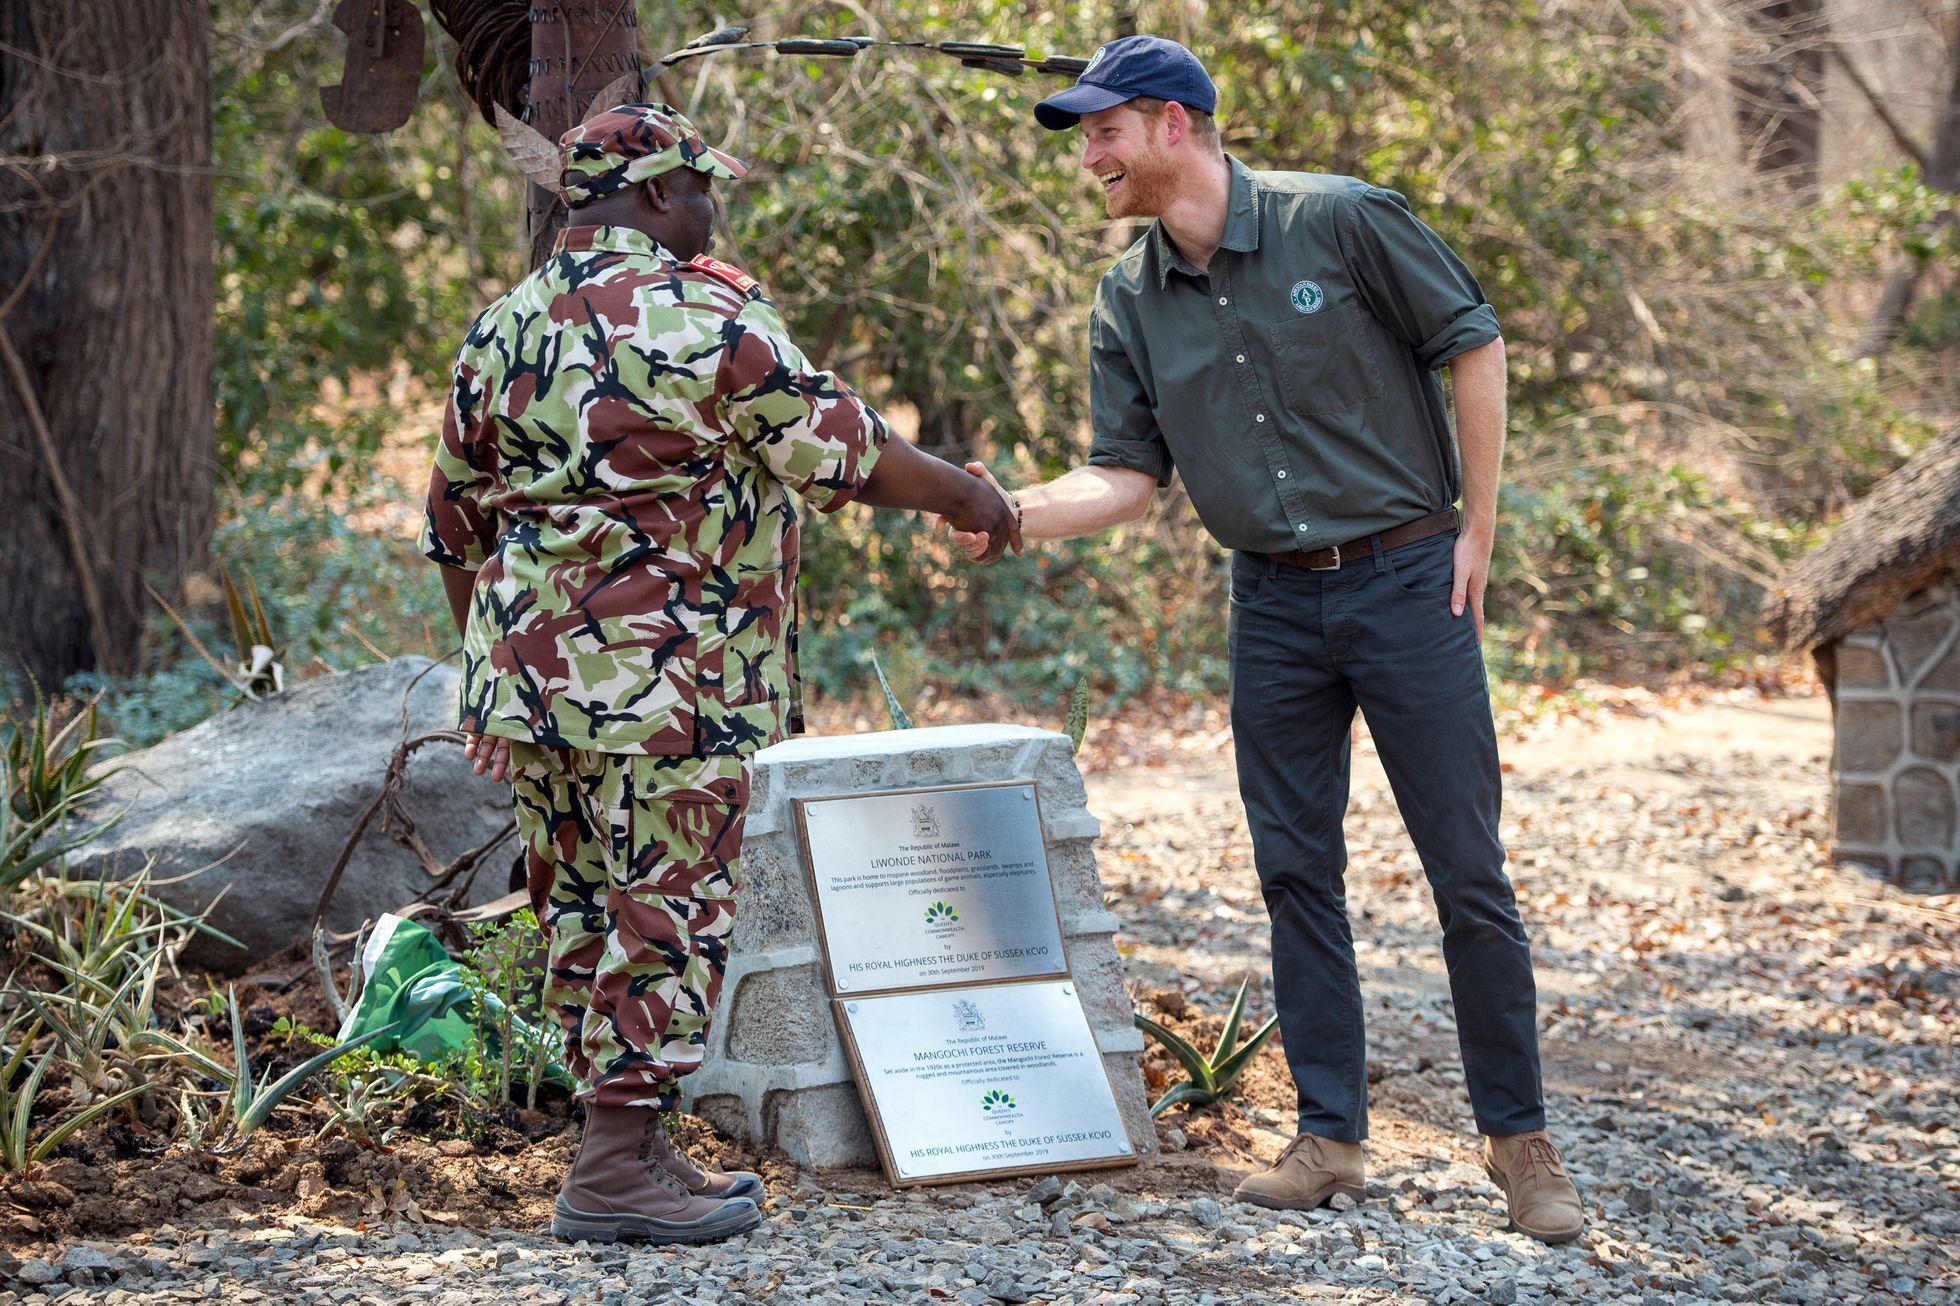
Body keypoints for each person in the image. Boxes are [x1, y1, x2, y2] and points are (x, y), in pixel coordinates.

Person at [950, 36, 1584, 1243]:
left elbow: (1474, 340)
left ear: (1172, 123)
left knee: (1466, 870)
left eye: (1103, 132)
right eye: (1083, 138)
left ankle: (1521, 1145)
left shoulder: (1339, 220)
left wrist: (1479, 529)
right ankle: (1330, 1140)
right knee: (1295, 872)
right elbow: (1126, 476)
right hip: (1274, 606)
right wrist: (1007, 511)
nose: (1088, 158)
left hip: (1409, 581)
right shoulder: (1129, 298)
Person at [422, 101, 1018, 1246]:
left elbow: (454, 524)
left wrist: (491, 675)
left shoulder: (502, 325)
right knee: (669, 905)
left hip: (537, 689)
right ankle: (611, 1166)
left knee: (582, 902)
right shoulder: (707, 315)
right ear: (656, 191)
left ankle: (629, 1142)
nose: (711, 211)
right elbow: (847, 451)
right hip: (672, 685)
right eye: (702, 189)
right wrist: (970, 497)